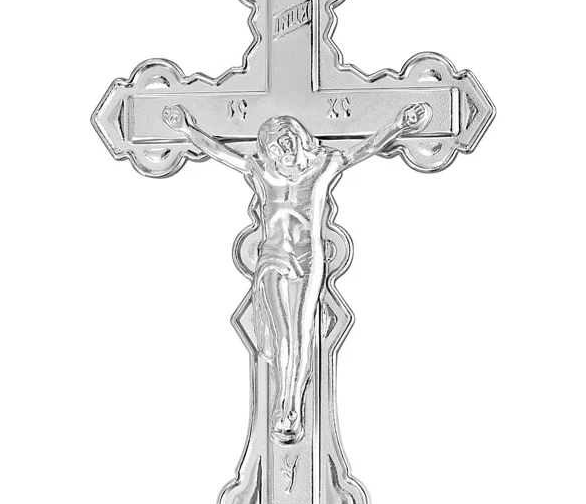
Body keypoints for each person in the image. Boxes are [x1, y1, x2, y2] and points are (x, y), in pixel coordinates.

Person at [162, 102, 432, 444]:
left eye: (287, 140)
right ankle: (283, 403)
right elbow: (221, 152)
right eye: (275, 146)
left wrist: (399, 125)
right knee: (283, 335)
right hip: (273, 256)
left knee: (302, 331)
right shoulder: (262, 172)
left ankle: (293, 404)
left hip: (308, 257)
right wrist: (186, 130)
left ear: (299, 138)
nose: (283, 150)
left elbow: (364, 149)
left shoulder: (322, 167)